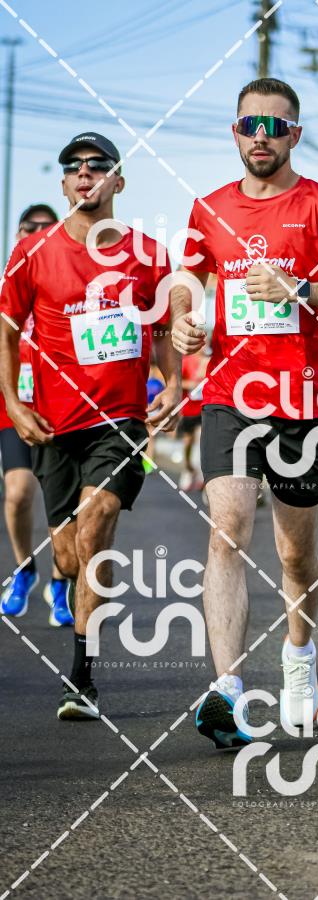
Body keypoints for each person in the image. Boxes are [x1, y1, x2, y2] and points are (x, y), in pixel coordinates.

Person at [171, 78, 318, 750]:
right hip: (230, 395)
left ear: (294, 134)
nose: (261, 136)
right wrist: (184, 325)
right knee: (227, 530)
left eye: (275, 125)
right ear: (235, 132)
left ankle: (300, 655)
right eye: (250, 124)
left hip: (305, 400)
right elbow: (188, 286)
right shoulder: (209, 209)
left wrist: (301, 288)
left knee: (295, 556)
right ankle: (228, 691)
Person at [0, 131, 181, 720]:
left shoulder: (148, 254)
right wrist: (14, 402)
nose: (85, 173)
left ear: (117, 181)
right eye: (74, 166)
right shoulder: (33, 252)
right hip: (53, 425)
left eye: (98, 165)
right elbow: (7, 330)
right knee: (69, 551)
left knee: (97, 522)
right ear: (63, 184)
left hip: (119, 421)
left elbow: (161, 329)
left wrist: (172, 381)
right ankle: (62, 577)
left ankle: (82, 676)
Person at [0, 203, 74, 626]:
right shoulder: (8, 282)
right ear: (17, 234)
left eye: (47, 228)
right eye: (30, 227)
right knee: (18, 493)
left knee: (63, 505)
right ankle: (24, 569)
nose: (38, 233)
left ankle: (60, 582)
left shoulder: (64, 279)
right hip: (14, 409)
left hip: (59, 408)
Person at [178, 344, 210, 491]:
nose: (204, 347)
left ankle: (201, 474)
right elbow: (177, 382)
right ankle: (188, 468)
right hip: (189, 408)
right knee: (188, 441)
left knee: (203, 439)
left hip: (205, 407)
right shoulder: (187, 361)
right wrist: (191, 383)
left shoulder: (210, 361)